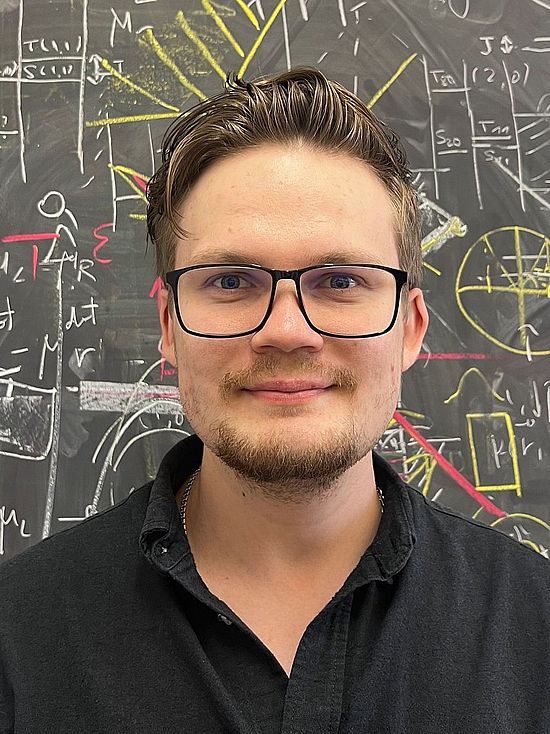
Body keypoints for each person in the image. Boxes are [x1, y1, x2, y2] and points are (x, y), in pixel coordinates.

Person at [0, 67, 549, 734]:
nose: (286, 331)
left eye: (340, 281)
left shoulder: (535, 627)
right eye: (231, 281)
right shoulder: (18, 639)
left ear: (410, 329)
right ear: (170, 327)